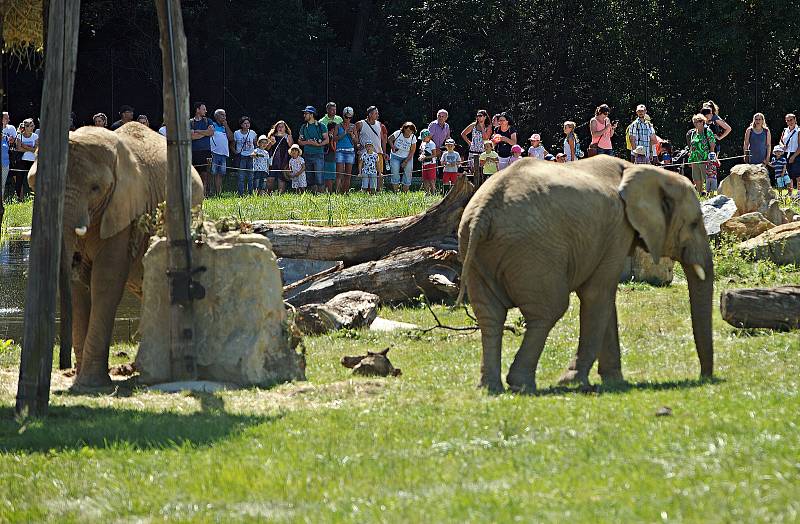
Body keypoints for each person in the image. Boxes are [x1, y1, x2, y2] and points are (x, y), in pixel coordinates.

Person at [355, 106, 387, 190]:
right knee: (365, 174)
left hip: (377, 153)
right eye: (376, 113)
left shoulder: (380, 124)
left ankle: (378, 191)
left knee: (379, 174)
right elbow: (354, 134)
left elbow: (383, 140)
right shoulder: (360, 123)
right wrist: (358, 145)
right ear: (370, 114)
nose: (377, 115)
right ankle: (365, 191)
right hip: (364, 153)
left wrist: (384, 152)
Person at [298, 105, 329, 193]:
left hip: (318, 154)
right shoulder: (303, 127)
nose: (304, 115)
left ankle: (321, 195)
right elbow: (299, 141)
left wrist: (318, 145)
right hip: (307, 154)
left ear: (311, 115)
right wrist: (308, 142)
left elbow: (327, 140)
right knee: (310, 177)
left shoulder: (321, 126)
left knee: (319, 177)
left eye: (306, 113)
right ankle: (313, 196)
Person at [687, 114, 716, 194]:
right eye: (694, 122)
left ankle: (710, 195)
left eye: (698, 121)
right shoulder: (693, 133)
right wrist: (690, 159)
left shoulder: (707, 131)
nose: (696, 123)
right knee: (696, 178)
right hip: (695, 159)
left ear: (703, 122)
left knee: (707, 178)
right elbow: (692, 147)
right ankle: (700, 194)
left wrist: (711, 158)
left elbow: (712, 145)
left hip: (705, 159)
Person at [190, 102, 214, 194]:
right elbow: (191, 136)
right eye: (204, 109)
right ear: (197, 110)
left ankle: (204, 193)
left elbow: (211, 133)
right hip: (193, 152)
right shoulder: (190, 122)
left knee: (205, 173)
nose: (206, 111)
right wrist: (205, 133)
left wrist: (196, 131)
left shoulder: (208, 121)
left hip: (206, 151)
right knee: (194, 173)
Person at [210, 109, 234, 196]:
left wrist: (226, 126)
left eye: (225, 115)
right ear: (216, 116)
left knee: (220, 174)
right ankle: (210, 192)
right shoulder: (212, 125)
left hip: (223, 154)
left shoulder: (225, 127)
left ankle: (218, 193)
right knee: (212, 173)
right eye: (222, 115)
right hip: (214, 153)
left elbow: (231, 138)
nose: (224, 117)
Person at [388, 121, 418, 192]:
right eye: (407, 130)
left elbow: (412, 151)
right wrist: (392, 147)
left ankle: (405, 193)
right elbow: (389, 139)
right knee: (395, 173)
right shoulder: (398, 133)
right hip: (395, 156)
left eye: (411, 130)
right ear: (404, 129)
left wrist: (406, 161)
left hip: (407, 157)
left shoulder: (413, 137)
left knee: (408, 174)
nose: (409, 132)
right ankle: (396, 192)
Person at [13, 118, 38, 200]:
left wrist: (24, 146)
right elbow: (18, 149)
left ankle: (36, 197)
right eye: (30, 126)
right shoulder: (19, 136)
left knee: (35, 179)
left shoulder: (35, 136)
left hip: (33, 161)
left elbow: (36, 149)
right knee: (19, 180)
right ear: (25, 127)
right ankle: (19, 198)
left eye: (32, 126)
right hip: (21, 161)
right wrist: (30, 148)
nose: (32, 128)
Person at [334, 107, 356, 193]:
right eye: (346, 117)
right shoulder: (338, 126)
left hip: (350, 151)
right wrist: (344, 133)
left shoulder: (353, 126)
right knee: (339, 174)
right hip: (340, 151)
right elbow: (334, 139)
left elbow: (356, 141)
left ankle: (345, 192)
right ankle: (337, 192)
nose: (348, 119)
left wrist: (352, 136)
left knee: (348, 174)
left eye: (350, 118)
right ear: (343, 116)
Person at [267, 120, 293, 194]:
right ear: (276, 128)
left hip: (284, 160)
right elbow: (266, 149)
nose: (280, 128)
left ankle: (280, 195)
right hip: (273, 160)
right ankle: (268, 194)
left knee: (281, 178)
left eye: (282, 126)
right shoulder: (272, 136)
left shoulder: (288, 136)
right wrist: (271, 144)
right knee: (270, 178)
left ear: (285, 128)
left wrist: (289, 142)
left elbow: (292, 148)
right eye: (278, 126)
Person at [233, 115, 257, 196]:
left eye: (248, 123)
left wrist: (255, 153)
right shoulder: (236, 133)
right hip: (241, 156)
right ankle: (241, 194)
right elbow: (232, 144)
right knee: (241, 177)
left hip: (251, 156)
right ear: (241, 125)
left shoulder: (253, 133)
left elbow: (255, 145)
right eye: (245, 123)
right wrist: (235, 152)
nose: (247, 125)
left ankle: (251, 193)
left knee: (251, 177)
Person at [778, 113, 799, 198]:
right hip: (786, 154)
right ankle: (790, 193)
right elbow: (781, 141)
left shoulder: (798, 131)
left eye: (791, 120)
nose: (790, 122)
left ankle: (799, 193)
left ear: (795, 120)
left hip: (797, 154)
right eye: (788, 120)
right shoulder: (785, 130)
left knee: (798, 175)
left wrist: (793, 157)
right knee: (788, 175)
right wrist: (782, 146)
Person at [418, 129, 437, 194]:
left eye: (424, 138)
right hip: (424, 164)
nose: (422, 139)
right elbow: (421, 152)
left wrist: (425, 157)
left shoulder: (432, 144)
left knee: (431, 179)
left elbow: (434, 155)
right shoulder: (422, 143)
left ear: (428, 137)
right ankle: (427, 192)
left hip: (431, 164)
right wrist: (420, 157)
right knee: (425, 179)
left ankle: (433, 192)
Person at [323, 122, 338, 193]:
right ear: (333, 129)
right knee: (329, 177)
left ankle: (328, 192)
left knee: (328, 177)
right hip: (329, 159)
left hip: (327, 158)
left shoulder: (325, 135)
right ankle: (329, 192)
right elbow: (333, 148)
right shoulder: (330, 136)